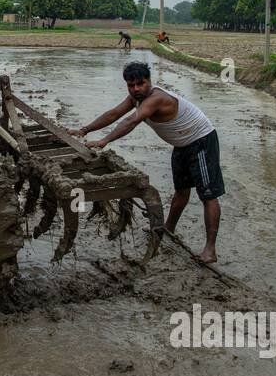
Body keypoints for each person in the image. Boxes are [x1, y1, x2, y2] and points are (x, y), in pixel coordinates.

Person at [72, 60, 223, 262]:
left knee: (208, 195)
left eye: (140, 83)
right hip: (181, 144)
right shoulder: (136, 97)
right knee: (181, 190)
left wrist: (104, 141)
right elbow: (114, 114)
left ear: (149, 81)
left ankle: (210, 250)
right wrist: (84, 130)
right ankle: (168, 228)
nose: (136, 89)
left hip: (201, 140)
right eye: (131, 85)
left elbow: (132, 121)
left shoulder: (156, 98)